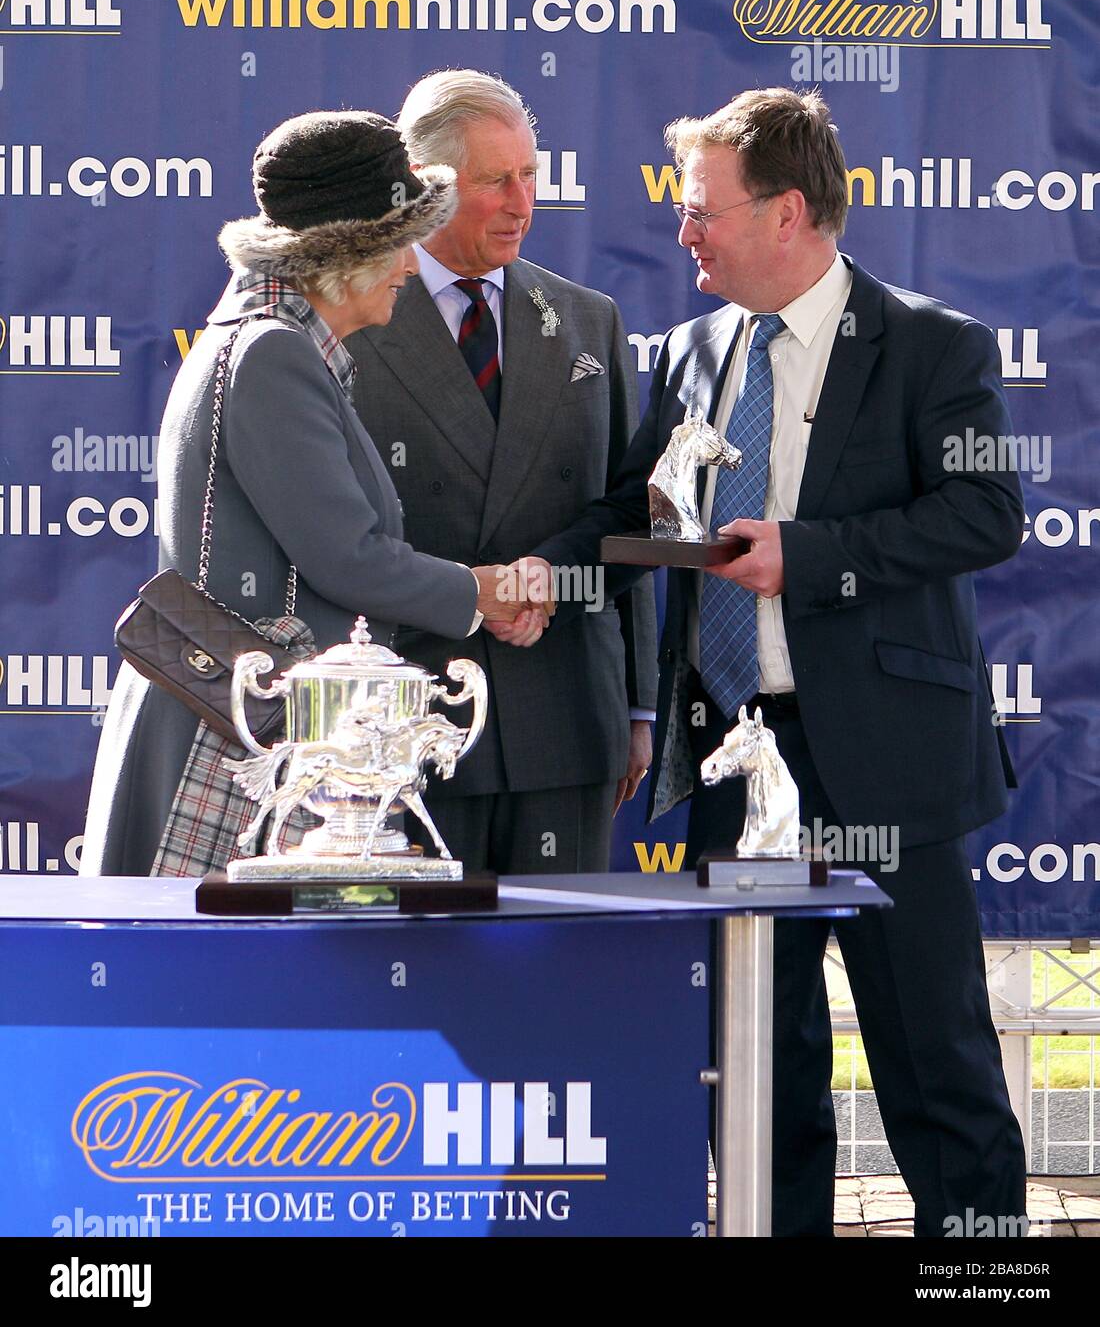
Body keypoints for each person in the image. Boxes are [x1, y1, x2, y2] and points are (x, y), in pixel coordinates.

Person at [527, 88, 1027, 1235]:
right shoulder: (694, 349)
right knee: (757, 1064)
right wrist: (523, 580)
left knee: (932, 1062)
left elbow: (986, 512)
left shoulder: (931, 346)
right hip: (729, 761)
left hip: (883, 766)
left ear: (788, 210)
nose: (682, 232)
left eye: (701, 209)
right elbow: (632, 506)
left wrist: (807, 555)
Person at [81, 110, 539, 878]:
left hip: (248, 727)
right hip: (236, 743)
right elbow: (347, 559)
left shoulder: (269, 342)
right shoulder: (273, 353)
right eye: (400, 241)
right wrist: (479, 592)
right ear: (347, 255)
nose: (409, 264)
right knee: (226, 986)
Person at [344, 71, 657, 874]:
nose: (522, 203)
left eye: (530, 175)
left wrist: (636, 705)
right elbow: (339, 537)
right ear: (425, 185)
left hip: (567, 724)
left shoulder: (589, 317)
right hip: (409, 728)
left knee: (558, 984)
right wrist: (480, 596)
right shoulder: (348, 318)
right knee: (416, 985)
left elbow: (640, 511)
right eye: (495, 182)